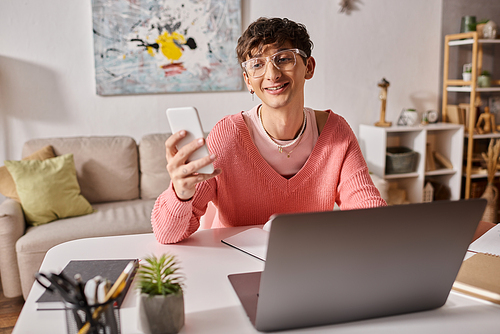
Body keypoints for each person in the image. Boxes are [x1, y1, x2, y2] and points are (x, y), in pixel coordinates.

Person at [152, 17, 386, 244]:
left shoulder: (336, 133)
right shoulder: (228, 136)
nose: (272, 74)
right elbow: (167, 235)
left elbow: (370, 216)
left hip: (304, 263)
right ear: (248, 80)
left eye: (283, 59)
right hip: (232, 265)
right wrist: (180, 194)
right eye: (257, 64)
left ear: (309, 67)